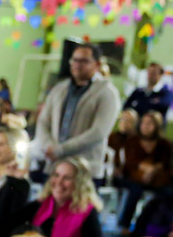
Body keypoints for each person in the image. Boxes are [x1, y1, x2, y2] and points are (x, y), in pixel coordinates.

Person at [31, 42, 121, 183]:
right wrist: (48, 146)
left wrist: (61, 150)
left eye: (84, 61)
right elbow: (43, 122)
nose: (77, 64)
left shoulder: (107, 93)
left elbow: (98, 132)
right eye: (75, 60)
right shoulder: (59, 89)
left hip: (85, 168)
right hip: (55, 166)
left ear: (97, 64)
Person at [14, 157, 104, 237]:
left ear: (79, 183)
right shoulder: (39, 205)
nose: (59, 182)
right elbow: (8, 226)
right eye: (56, 175)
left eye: (67, 178)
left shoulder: (87, 212)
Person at [113, 110, 173, 233]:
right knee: (135, 191)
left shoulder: (163, 143)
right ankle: (124, 225)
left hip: (155, 178)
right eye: (143, 123)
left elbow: (164, 162)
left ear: (157, 126)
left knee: (168, 193)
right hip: (132, 177)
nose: (145, 126)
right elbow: (131, 161)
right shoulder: (133, 141)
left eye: (149, 123)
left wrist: (152, 171)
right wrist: (146, 170)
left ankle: (147, 226)